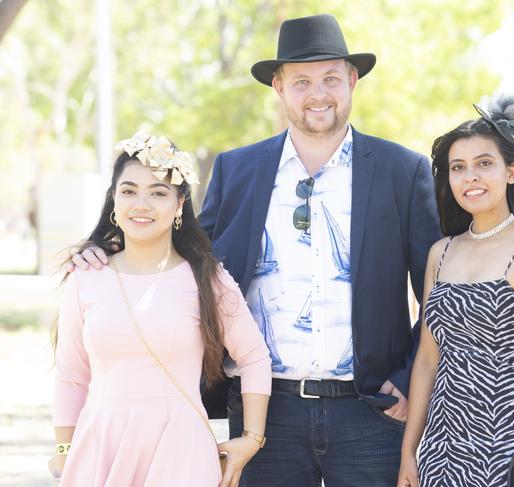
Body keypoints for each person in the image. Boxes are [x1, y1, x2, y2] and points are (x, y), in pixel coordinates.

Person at [71, 14, 440, 487]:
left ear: (351, 81)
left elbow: (438, 287)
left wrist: (410, 376)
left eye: (330, 78)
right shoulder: (238, 169)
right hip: (264, 410)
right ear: (279, 88)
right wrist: (106, 245)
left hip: (371, 410)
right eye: (302, 81)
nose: (318, 93)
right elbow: (184, 254)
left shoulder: (401, 170)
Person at [51, 133, 272, 487]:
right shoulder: (86, 276)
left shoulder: (206, 278)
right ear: (114, 199)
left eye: (158, 192)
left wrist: (251, 438)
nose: (141, 204)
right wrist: (64, 450)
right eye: (128, 191)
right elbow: (71, 374)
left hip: (181, 448)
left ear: (180, 203)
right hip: (102, 444)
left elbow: (254, 356)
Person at [398, 95, 514, 487]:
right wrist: (408, 454)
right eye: (458, 168)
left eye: (484, 164)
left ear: (510, 172)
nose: (471, 177)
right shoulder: (440, 253)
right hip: (441, 449)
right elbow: (428, 359)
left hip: (509, 444)